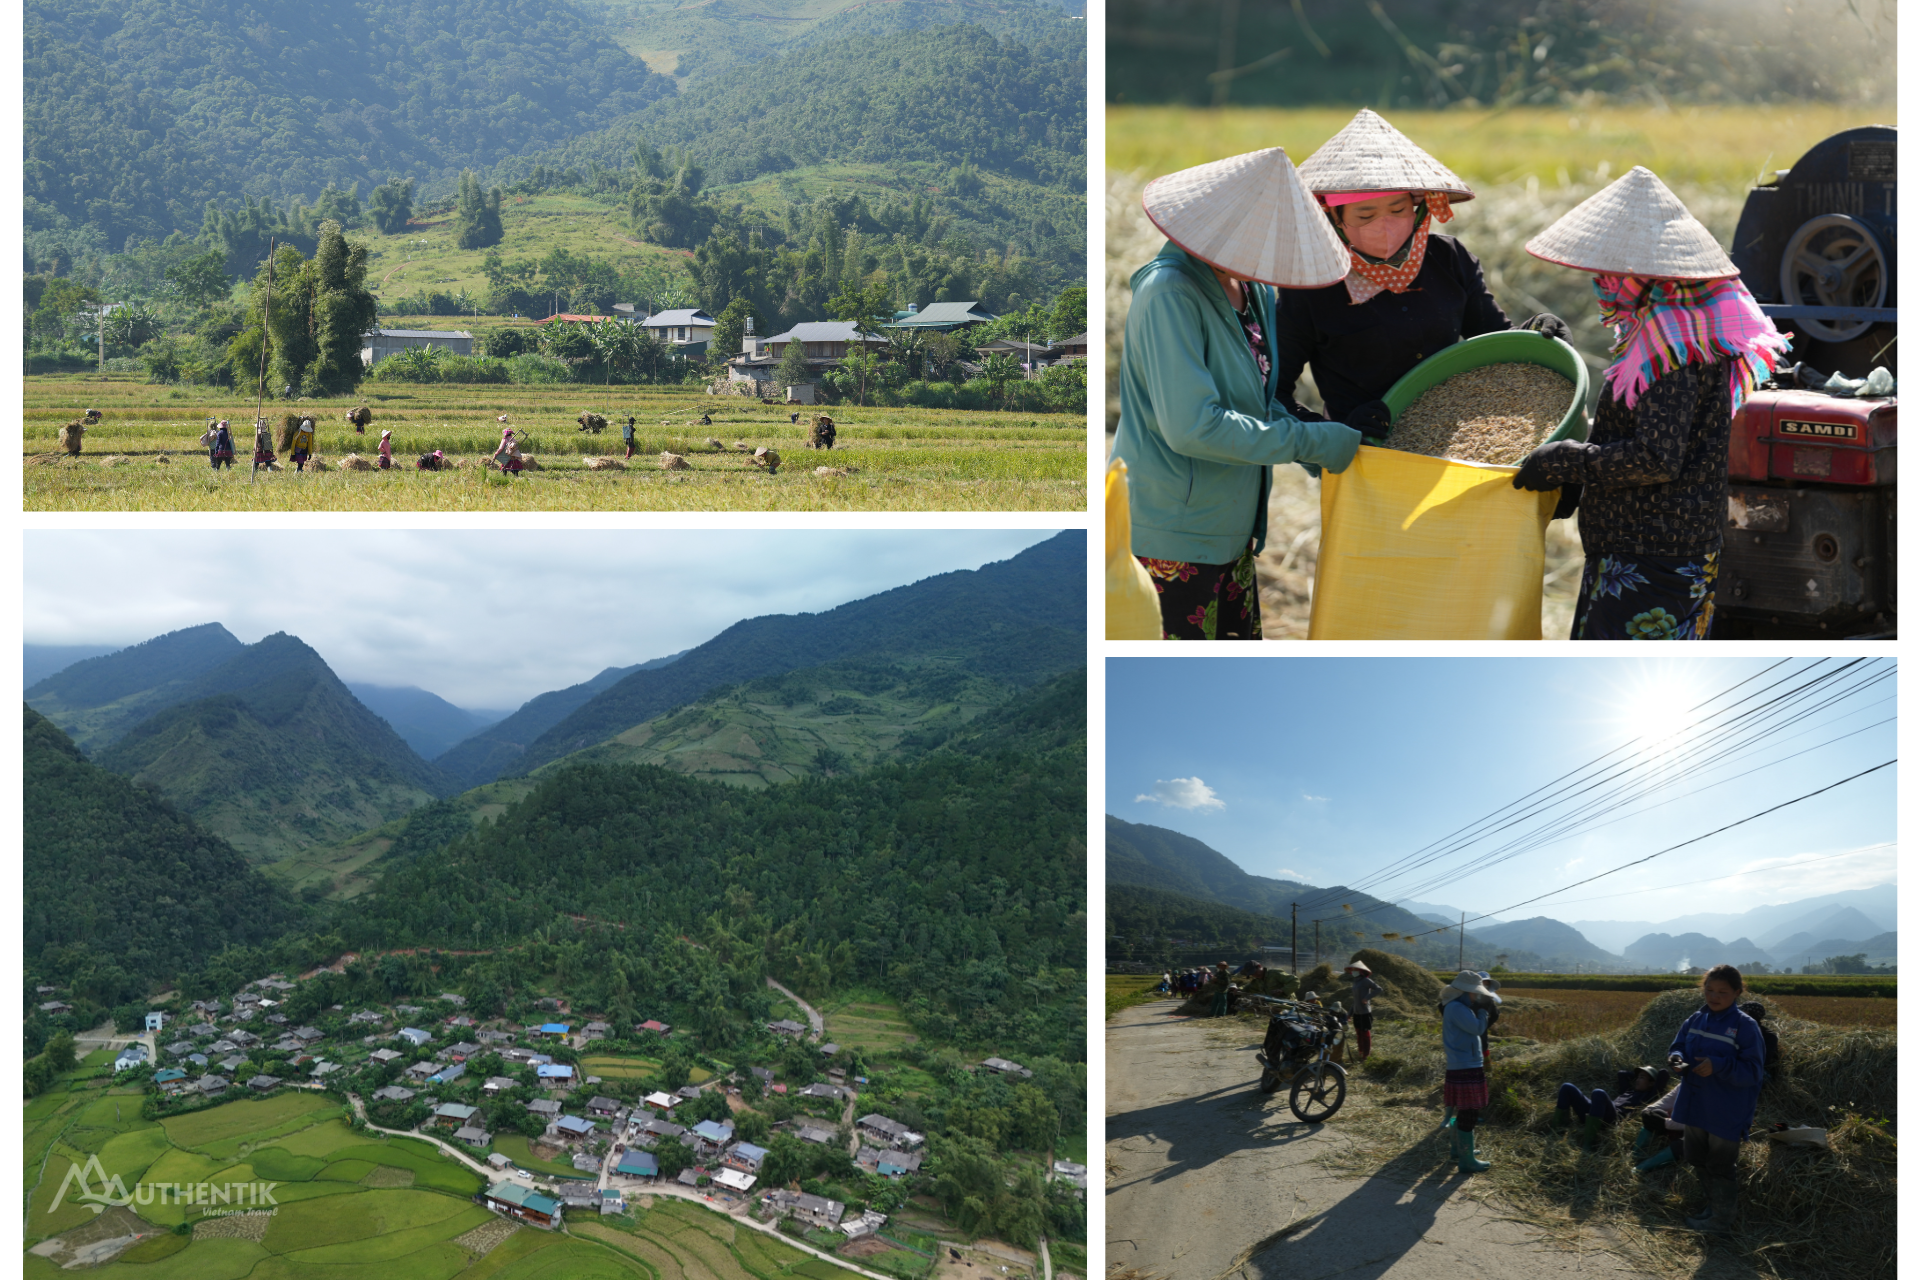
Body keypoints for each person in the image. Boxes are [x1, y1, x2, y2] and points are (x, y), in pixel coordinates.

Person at [1511, 167, 1792, 640]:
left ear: (1652, 274)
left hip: (1652, 555)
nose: (1601, 282)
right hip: (1652, 546)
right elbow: (1645, 428)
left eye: (1612, 272)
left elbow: (1655, 458)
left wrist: (1566, 462)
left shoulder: (1673, 347)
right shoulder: (1671, 328)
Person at [1112, 147, 1368, 640]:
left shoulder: (1253, 292)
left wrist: (1320, 434)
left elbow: (1255, 399)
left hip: (1231, 532)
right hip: (1172, 537)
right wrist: (1308, 444)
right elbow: (1194, 426)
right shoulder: (1170, 293)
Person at [1279, 108, 1570, 440]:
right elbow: (1276, 393)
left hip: (1455, 438)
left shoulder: (1448, 260)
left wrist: (1537, 333)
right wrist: (1336, 430)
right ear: (1335, 220)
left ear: (1417, 209)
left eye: (1398, 210)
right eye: (1365, 215)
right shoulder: (1312, 285)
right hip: (1364, 448)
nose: (1385, 225)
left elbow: (1495, 343)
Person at [1666, 964, 1766, 1233]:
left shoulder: (1745, 1027)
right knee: (1696, 1157)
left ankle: (1721, 1220)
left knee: (1721, 1165)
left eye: (1722, 991)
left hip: (1726, 1109)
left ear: (1737, 992)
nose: (1714, 996)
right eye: (1709, 990)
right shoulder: (1696, 1019)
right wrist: (1675, 1059)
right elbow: (1678, 1045)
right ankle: (1713, 1207)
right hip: (1695, 1104)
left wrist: (1718, 1065)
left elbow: (1754, 1072)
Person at [1439, 970, 1499, 1173]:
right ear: (1465, 991)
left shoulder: (1457, 1006)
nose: (1476, 997)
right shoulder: (1456, 1008)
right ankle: (1466, 1160)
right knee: (1470, 1112)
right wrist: (1483, 1012)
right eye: (1475, 993)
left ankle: (1460, 1150)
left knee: (1465, 1110)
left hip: (1464, 1062)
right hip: (1465, 1064)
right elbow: (1476, 1029)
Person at [1553, 1065, 1670, 1149]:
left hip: (1612, 1118)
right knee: (1567, 1087)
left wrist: (1650, 1074)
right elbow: (1621, 1074)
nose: (1637, 1080)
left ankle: (1589, 1143)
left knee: (1598, 1093)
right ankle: (1558, 1130)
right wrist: (1638, 1075)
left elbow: (1663, 1073)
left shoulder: (1649, 1095)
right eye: (1637, 1077)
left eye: (1642, 1078)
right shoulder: (1628, 1091)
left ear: (1651, 1083)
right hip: (1594, 1113)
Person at [1343, 961, 1383, 1062]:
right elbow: (1355, 1001)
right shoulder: (1355, 982)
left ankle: (1366, 1055)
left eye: (1355, 970)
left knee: (1365, 1033)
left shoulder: (1366, 981)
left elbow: (1378, 989)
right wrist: (1349, 1013)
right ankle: (1360, 1052)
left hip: (1364, 1012)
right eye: (1352, 970)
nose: (1353, 972)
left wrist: (1366, 998)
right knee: (1358, 1033)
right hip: (1356, 1012)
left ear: (1360, 971)